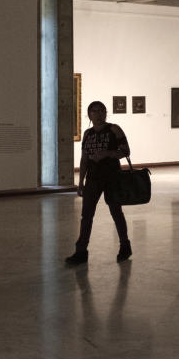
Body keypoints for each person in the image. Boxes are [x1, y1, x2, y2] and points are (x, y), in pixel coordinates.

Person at [65, 101, 132, 264]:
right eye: (95, 111)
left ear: (105, 113)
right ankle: (81, 251)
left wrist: (107, 154)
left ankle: (125, 246)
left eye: (102, 111)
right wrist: (80, 182)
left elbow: (126, 151)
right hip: (93, 179)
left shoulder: (114, 129)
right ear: (89, 114)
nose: (99, 114)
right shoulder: (88, 134)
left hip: (112, 178)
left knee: (116, 213)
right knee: (86, 215)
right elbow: (84, 160)